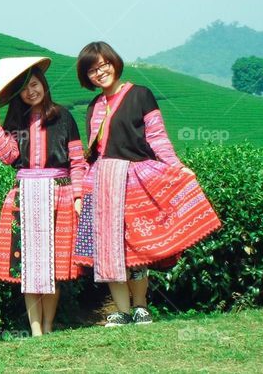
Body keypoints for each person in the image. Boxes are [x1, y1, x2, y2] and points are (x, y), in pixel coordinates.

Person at [73, 42, 221, 327]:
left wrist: (177, 168)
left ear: (114, 62)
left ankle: (141, 308)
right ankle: (122, 310)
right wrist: (81, 191)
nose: (100, 72)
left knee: (135, 248)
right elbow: (94, 151)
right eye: (92, 70)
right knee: (108, 248)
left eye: (103, 65)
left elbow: (157, 138)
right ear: (86, 77)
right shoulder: (94, 107)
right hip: (102, 182)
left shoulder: (140, 95)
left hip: (132, 180)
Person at [0, 57, 86, 336]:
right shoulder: (15, 120)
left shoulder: (64, 117)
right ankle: (36, 330)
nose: (31, 92)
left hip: (58, 195)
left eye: (34, 84)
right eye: (24, 89)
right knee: (27, 269)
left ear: (44, 84)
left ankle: (49, 327)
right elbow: (8, 156)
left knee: (52, 269)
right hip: (24, 197)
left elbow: (77, 161)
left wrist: (79, 196)